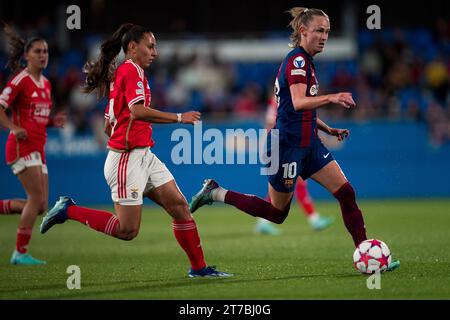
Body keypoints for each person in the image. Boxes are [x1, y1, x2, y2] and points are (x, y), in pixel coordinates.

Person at [189, 8, 400, 271]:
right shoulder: (297, 61)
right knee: (276, 214)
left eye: (327, 31)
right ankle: (216, 192)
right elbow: (300, 102)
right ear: (303, 31)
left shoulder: (307, 61)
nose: (324, 36)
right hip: (285, 147)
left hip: (308, 144)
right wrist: (332, 97)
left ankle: (366, 253)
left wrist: (326, 128)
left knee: (346, 193)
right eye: (319, 30)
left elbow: (294, 107)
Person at [39, 24, 232, 278]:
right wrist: (178, 117)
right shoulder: (131, 70)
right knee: (127, 230)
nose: (155, 52)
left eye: (155, 47)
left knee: (180, 208)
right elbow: (137, 111)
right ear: (132, 47)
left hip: (143, 155)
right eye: (150, 46)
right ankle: (68, 209)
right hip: (127, 160)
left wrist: (131, 136)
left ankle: (199, 269)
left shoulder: (127, 72)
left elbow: (110, 125)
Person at [0, 25, 66, 265]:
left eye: (46, 51)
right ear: (27, 55)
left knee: (40, 206)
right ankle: (20, 252)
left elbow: (35, 117)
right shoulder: (20, 81)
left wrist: (51, 122)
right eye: (37, 51)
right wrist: (13, 128)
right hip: (21, 147)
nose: (43, 55)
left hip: (39, 148)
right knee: (35, 199)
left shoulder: (46, 84)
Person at [255, 95, 334, 235]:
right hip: (281, 147)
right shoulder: (280, 98)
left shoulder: (286, 96)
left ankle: (263, 221)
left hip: (286, 146)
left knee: (282, 186)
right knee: (297, 182)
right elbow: (270, 124)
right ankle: (314, 219)